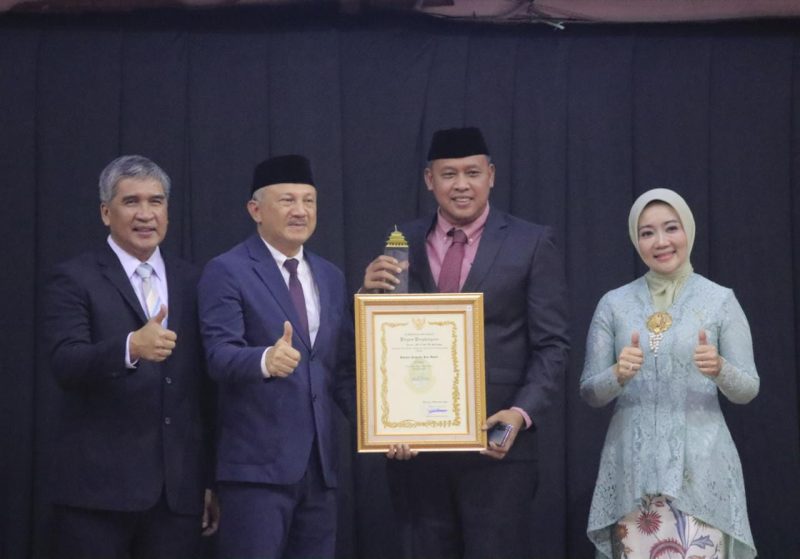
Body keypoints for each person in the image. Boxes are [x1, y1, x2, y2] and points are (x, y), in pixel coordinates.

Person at [361, 127, 570, 558]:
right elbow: (380, 338)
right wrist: (366, 295)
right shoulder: (400, 242)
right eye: (449, 174)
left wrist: (520, 413)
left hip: (498, 450)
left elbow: (553, 345)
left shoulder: (530, 242)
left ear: (491, 175)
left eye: (472, 173)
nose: (461, 185)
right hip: (418, 456)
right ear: (429, 179)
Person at [43, 155, 218, 559]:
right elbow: (65, 363)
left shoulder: (194, 280)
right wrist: (129, 348)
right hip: (97, 495)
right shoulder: (74, 278)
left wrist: (208, 480)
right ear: (106, 213)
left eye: (155, 201)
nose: (145, 214)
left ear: (168, 211)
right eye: (131, 201)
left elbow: (205, 392)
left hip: (177, 497)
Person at [580, 188, 759, 559]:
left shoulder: (720, 300)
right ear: (636, 240)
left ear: (688, 230)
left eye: (671, 228)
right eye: (647, 232)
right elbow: (590, 392)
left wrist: (720, 369)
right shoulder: (614, 304)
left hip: (702, 471)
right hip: (632, 472)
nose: (660, 242)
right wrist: (617, 374)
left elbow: (748, 388)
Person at [198, 154, 354, 559]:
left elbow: (338, 370)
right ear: (255, 210)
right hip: (257, 472)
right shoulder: (227, 270)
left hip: (320, 470)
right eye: (287, 200)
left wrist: (384, 426)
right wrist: (265, 360)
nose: (300, 211)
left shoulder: (331, 276)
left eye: (309, 201)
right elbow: (218, 355)